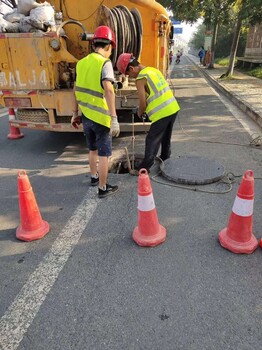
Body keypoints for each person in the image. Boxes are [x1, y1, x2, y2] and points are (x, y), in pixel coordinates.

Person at [71, 25, 120, 198]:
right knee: (104, 154)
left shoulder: (81, 63)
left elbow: (76, 89)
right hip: (100, 118)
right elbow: (108, 89)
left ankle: (94, 178)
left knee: (92, 150)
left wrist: (74, 113)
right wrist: (114, 118)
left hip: (85, 116)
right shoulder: (105, 63)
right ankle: (102, 188)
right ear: (109, 46)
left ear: (93, 45)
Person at [116, 53, 180, 172]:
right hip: (173, 108)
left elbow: (143, 102)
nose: (130, 77)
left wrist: (140, 112)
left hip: (162, 113)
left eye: (128, 74)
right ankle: (165, 158)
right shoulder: (153, 70)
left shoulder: (140, 79)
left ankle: (144, 167)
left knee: (152, 139)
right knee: (166, 136)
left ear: (131, 68)